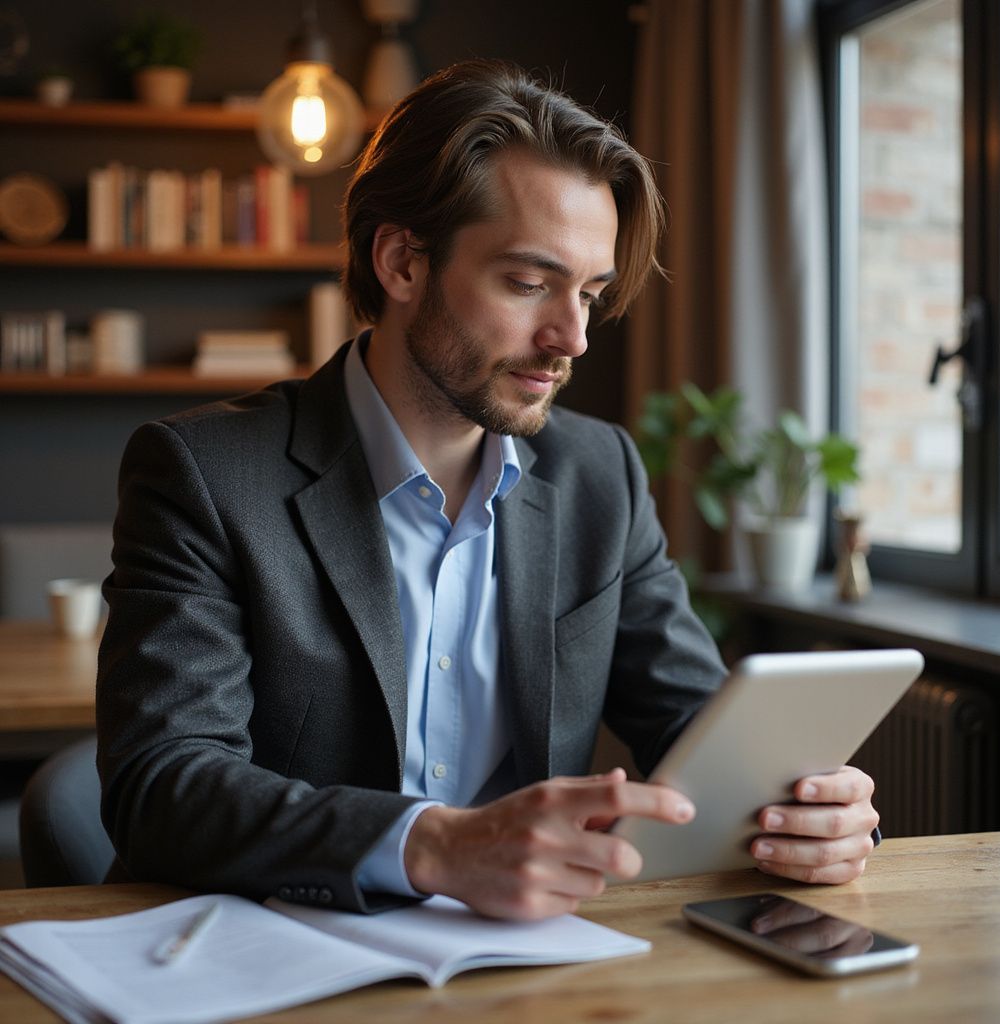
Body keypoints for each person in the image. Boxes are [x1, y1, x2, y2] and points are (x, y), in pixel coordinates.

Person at [96, 59, 880, 921]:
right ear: (401, 262)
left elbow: (699, 728)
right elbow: (162, 785)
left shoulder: (599, 477)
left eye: (589, 292)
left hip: (521, 962)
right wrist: (433, 845)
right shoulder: (204, 472)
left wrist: (810, 810)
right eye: (528, 282)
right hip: (271, 948)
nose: (572, 337)